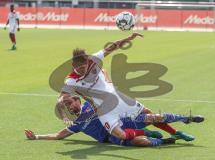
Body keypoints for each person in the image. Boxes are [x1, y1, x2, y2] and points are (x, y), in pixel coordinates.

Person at [56, 32, 204, 141]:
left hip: (118, 98)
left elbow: (111, 47)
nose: (83, 70)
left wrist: (128, 38)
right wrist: (64, 117)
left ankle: (177, 129)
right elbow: (60, 100)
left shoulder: (94, 59)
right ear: (73, 66)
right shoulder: (70, 80)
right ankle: (146, 133)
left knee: (149, 114)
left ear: (88, 61)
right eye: (79, 68)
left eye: (84, 66)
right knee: (120, 135)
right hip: (104, 111)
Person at [25, 97, 176, 147]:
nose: (70, 107)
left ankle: (169, 128)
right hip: (110, 138)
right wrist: (37, 136)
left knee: (149, 117)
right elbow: (59, 135)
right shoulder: (76, 123)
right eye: (67, 106)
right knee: (141, 143)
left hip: (119, 124)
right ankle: (162, 141)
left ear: (78, 100)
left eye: (71, 103)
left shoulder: (91, 104)